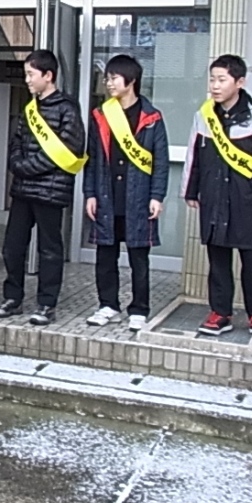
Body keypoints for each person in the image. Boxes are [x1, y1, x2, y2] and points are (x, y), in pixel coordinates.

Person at [0, 49, 86, 325]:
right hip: (23, 190)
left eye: (31, 74)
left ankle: (46, 304)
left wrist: (26, 167)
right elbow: (16, 142)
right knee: (12, 247)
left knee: (49, 250)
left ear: (48, 75)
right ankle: (13, 298)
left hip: (50, 191)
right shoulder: (29, 108)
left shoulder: (68, 108)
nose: (27, 80)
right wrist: (18, 164)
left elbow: (67, 150)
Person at [183, 54, 252, 336]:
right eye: (212, 79)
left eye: (222, 80)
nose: (215, 86)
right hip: (213, 196)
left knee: (251, 256)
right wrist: (190, 190)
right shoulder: (204, 115)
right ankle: (220, 312)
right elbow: (193, 156)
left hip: (246, 198)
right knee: (217, 256)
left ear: (239, 82)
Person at [84, 55, 170, 331]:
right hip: (107, 196)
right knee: (105, 256)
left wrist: (157, 195)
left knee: (138, 258)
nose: (108, 83)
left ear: (131, 81)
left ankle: (139, 309)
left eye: (114, 78)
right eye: (107, 78)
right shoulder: (101, 115)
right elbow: (92, 158)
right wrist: (90, 193)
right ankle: (107, 305)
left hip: (139, 197)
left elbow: (160, 161)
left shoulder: (151, 118)